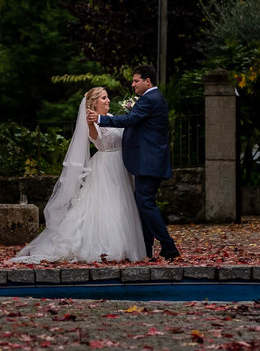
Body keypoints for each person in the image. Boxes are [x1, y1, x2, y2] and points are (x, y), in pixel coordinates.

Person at [10, 86, 146, 264]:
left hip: (121, 165)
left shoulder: (111, 118)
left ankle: (127, 244)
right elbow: (96, 137)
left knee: (122, 203)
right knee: (109, 203)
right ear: (95, 102)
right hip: (106, 165)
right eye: (104, 98)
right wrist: (90, 122)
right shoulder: (92, 122)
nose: (108, 101)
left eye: (107, 97)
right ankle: (109, 245)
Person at [89, 64, 179, 261]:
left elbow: (131, 119)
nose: (133, 84)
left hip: (148, 162)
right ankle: (145, 249)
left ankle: (168, 246)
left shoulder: (150, 99)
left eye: (136, 80)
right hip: (151, 161)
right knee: (143, 204)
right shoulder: (154, 99)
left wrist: (102, 119)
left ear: (148, 81)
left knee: (145, 203)